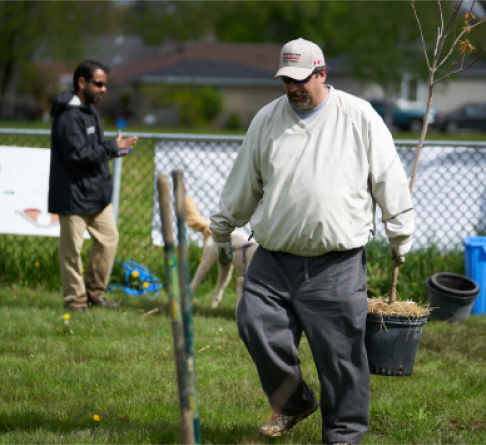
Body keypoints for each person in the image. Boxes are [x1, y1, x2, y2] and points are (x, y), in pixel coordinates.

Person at [209, 38, 414, 445]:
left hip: (335, 264)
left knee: (340, 357)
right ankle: (293, 402)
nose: (292, 88)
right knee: (254, 323)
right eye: (286, 80)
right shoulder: (266, 120)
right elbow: (242, 186)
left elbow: (389, 179)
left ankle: (343, 434)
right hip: (273, 259)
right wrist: (221, 231)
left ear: (322, 73)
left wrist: (400, 234)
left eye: (300, 79)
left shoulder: (358, 116)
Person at [48, 60, 138, 312]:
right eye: (98, 83)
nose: (103, 89)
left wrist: (113, 152)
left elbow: (92, 151)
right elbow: (76, 154)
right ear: (81, 83)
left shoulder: (89, 112)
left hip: (96, 195)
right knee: (71, 251)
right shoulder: (68, 115)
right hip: (73, 195)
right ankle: (75, 301)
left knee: (109, 239)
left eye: (105, 84)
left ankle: (94, 293)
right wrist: (112, 147)